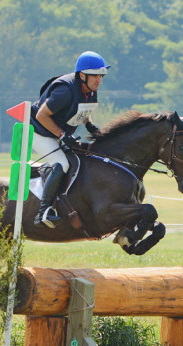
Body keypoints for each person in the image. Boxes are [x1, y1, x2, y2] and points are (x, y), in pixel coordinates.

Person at [30, 51, 110, 228]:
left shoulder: (89, 90)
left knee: (80, 159)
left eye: (101, 75)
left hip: (56, 132)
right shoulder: (64, 91)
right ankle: (44, 211)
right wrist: (63, 135)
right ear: (82, 75)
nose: (99, 80)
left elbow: (81, 111)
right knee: (62, 164)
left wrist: (90, 126)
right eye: (95, 76)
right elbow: (42, 115)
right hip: (39, 132)